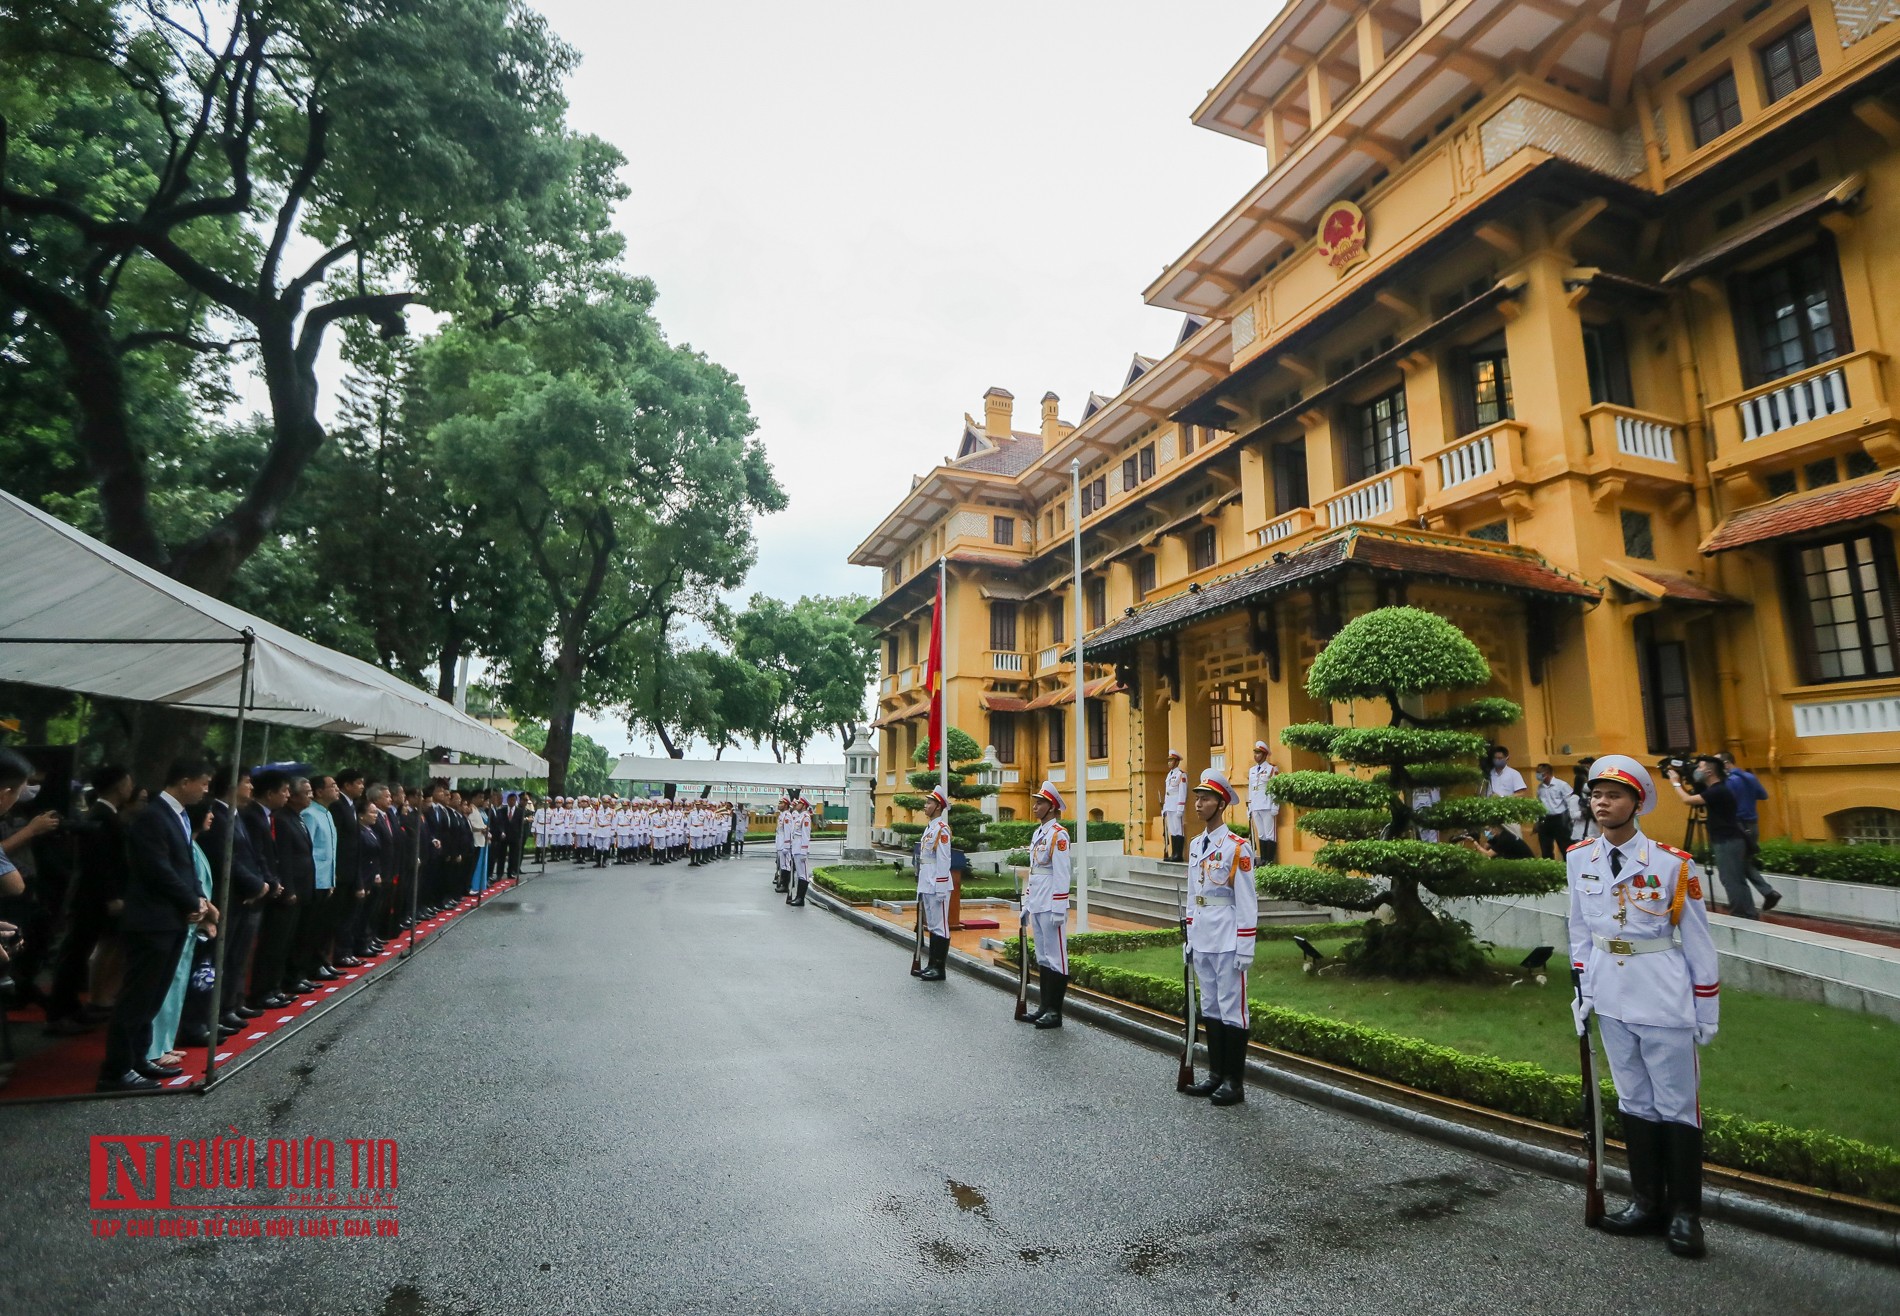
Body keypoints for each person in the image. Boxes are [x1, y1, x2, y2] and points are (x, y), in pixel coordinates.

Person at [1567, 754, 1720, 1259]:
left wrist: (1706, 1008)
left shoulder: (1671, 863)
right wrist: (1584, 992)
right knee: (1634, 1100)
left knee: (1677, 1105)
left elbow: (1697, 941)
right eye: (1596, 795)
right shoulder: (1579, 857)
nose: (1602, 803)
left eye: (1613, 796)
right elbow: (1580, 932)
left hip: (1663, 995)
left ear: (1636, 803)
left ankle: (1685, 1214)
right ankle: (1647, 1203)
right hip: (1610, 994)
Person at [98, 758, 216, 1092]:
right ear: (184, 780)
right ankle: (116, 1069)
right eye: (203, 783)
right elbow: (157, 868)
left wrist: (199, 899)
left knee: (153, 996)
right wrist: (190, 901)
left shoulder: (177, 816)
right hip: (151, 920)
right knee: (137, 997)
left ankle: (138, 1057)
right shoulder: (153, 816)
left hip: (172, 918)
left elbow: (185, 866)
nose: (206, 790)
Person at [1179, 769, 1258, 1107]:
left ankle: (1234, 1082)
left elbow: (1247, 900)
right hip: (1203, 934)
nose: (1198, 804)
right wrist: (1189, 933)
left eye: (1205, 799)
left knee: (1232, 1009)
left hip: (1227, 935)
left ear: (1221, 804)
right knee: (1210, 1006)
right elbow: (1194, 893)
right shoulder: (1197, 844)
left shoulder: (1237, 848)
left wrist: (1245, 945)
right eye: (1197, 798)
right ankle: (1215, 1075)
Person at [45, 763, 135, 1034]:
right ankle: (58, 1013)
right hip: (90, 899)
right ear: (120, 785)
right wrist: (112, 896)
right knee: (73, 954)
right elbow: (99, 863)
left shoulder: (107, 815)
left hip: (94, 898)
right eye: (128, 782)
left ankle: (72, 1008)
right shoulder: (100, 816)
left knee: (80, 953)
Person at [1666, 756, 1756, 919]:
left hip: (1728, 840)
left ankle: (1743, 914)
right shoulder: (1715, 789)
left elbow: (1687, 800)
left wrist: (1675, 782)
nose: (1696, 771)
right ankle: (1747, 912)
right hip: (1728, 839)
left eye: (1699, 768)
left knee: (1731, 880)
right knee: (1735, 878)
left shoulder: (1718, 791)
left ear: (1708, 772)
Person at [1021, 781, 1072, 1029]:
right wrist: (1027, 902)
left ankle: (1055, 1011)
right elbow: (1034, 871)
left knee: (1056, 957)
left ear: (1051, 807)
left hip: (1052, 903)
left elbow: (1062, 873)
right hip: (1038, 900)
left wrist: (1060, 907)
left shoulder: (1059, 835)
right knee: (1042, 955)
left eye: (1040, 803)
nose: (1035, 806)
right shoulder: (1038, 833)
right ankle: (1044, 1005)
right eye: (1036, 802)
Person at [1718, 752, 1781, 911]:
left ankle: (1741, 904)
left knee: (1733, 868)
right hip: (1752, 825)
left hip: (1737, 826)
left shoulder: (1729, 781)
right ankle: (1767, 892)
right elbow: (1762, 795)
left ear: (1726, 764)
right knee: (1744, 863)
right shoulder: (1749, 777)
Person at [915, 787, 954, 982]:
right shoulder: (930, 827)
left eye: (929, 803)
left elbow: (944, 860)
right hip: (927, 880)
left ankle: (940, 967)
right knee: (932, 925)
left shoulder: (942, 829)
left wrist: (940, 886)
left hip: (938, 883)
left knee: (940, 926)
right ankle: (931, 964)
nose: (925, 805)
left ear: (938, 806)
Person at [1533, 763, 1581, 859]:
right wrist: (1536, 821)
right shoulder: (1540, 788)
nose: (1537, 775)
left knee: (1565, 847)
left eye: (1539, 772)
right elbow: (1538, 804)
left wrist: (1571, 820)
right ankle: (1549, 870)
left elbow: (1570, 803)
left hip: (1560, 819)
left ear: (1546, 773)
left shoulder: (1561, 785)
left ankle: (1568, 869)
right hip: (1545, 819)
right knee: (1545, 848)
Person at [1245, 741, 1281, 864]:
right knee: (1261, 834)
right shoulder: (1252, 770)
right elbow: (1250, 789)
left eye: (1259, 753)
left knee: (1270, 834)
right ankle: (1264, 859)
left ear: (1265, 755)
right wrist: (1249, 806)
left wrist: (1275, 805)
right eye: (1255, 752)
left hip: (1267, 805)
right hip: (1255, 805)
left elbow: (1275, 789)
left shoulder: (1272, 769)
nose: (1256, 755)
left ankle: (1270, 860)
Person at [1161, 750, 1187, 863]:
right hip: (1169, 805)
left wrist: (1180, 807)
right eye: (1168, 760)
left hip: (1176, 806)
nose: (1169, 763)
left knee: (1178, 830)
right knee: (1172, 829)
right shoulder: (1169, 775)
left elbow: (1182, 792)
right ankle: (1173, 853)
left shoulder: (1181, 774)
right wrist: (1165, 808)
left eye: (1171, 760)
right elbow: (1167, 792)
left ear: (1177, 762)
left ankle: (1179, 855)